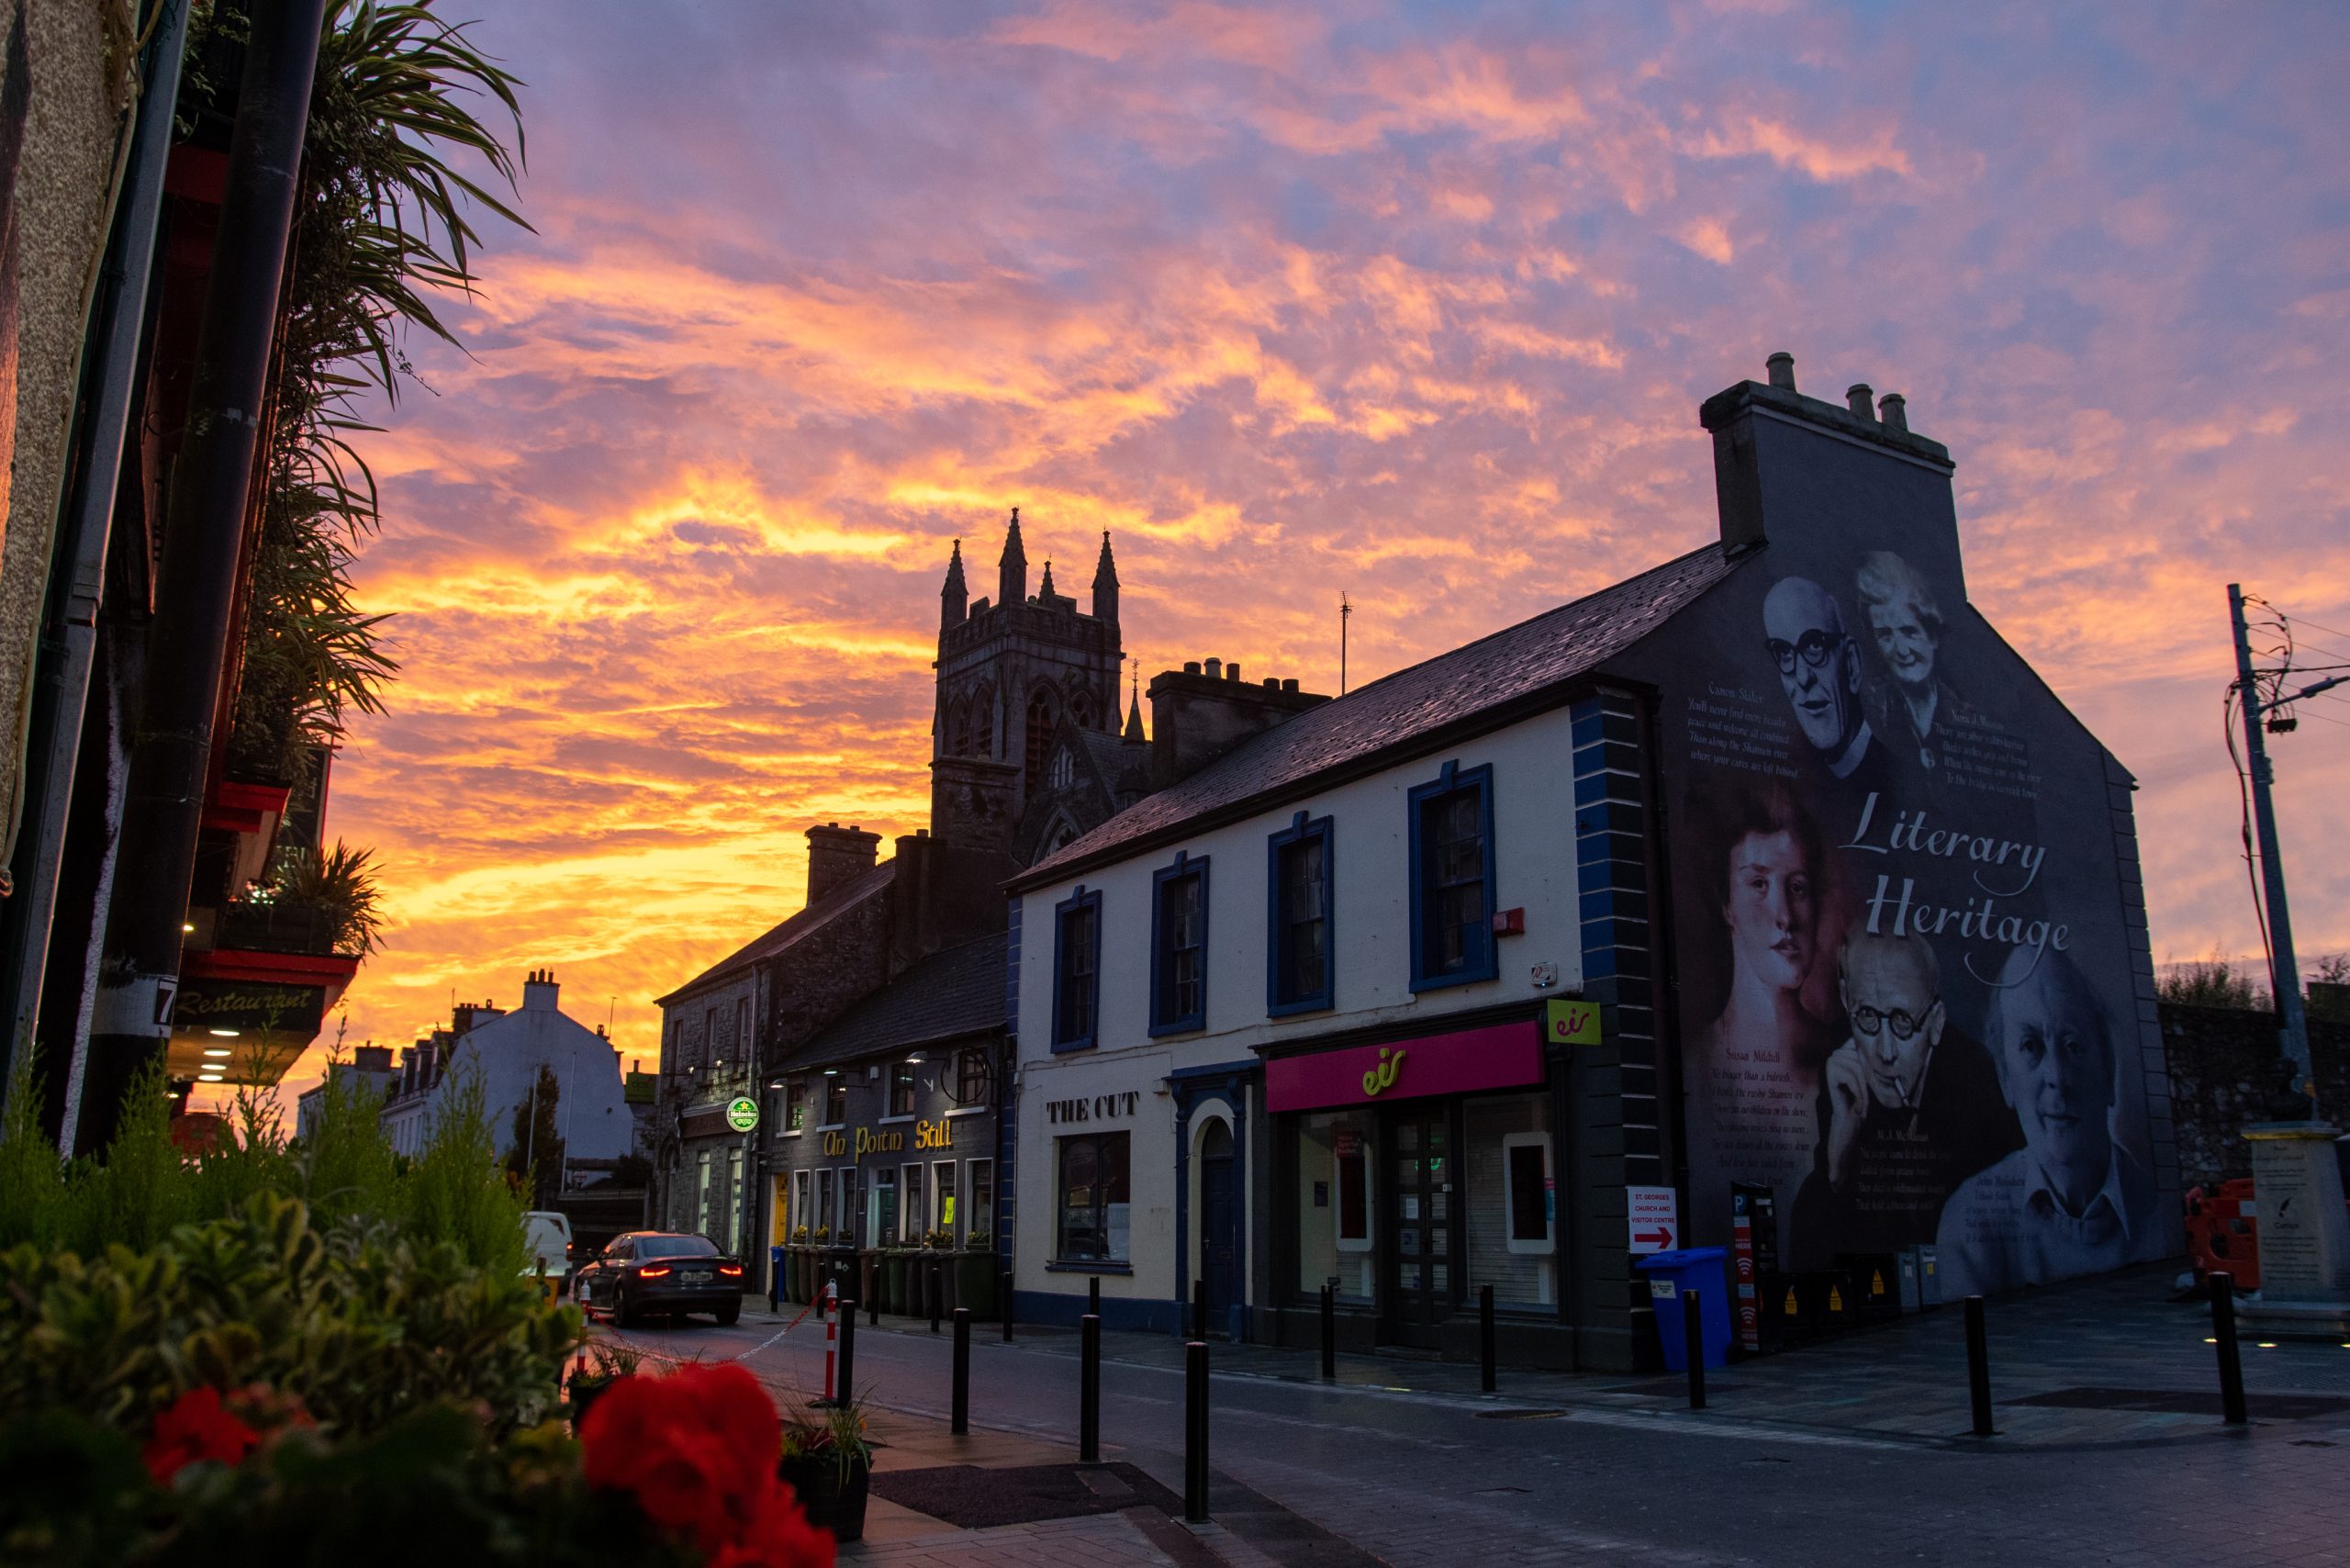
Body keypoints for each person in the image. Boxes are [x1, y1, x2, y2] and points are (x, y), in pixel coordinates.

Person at [1789, 930, 2016, 1267]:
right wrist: (1838, 1165)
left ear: (1936, 1022)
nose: (1884, 1052)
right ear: (1846, 1000)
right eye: (1866, 1015)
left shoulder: (1972, 1078)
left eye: (1902, 1022)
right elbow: (1812, 1248)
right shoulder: (1842, 1066)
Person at [1936, 948, 2156, 1294]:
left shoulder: (2156, 1210)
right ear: (2005, 1077)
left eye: (2073, 1045)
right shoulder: (1968, 1225)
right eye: (2030, 1046)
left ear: (2109, 1067)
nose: (2057, 1076)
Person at [1685, 787, 1835, 1257]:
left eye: (1798, 888)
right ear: (1726, 904)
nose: (1784, 917)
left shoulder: (1848, 1065)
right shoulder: (1690, 1069)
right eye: (1758, 884)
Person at [1762, 577, 1881, 784]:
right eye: (1784, 652)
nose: (1802, 677)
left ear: (1852, 664)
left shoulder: (1894, 776)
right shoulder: (1792, 783)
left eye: (1815, 646)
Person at [1853, 551, 1959, 775]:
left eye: (1909, 632)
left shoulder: (1963, 716)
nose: (1901, 650)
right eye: (1885, 635)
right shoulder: (1866, 709)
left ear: (1932, 635)